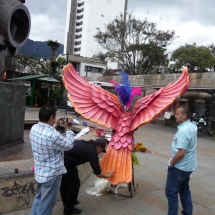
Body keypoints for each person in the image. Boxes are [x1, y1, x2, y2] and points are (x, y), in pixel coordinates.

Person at [30, 104, 75, 215]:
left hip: (40, 173)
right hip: (52, 176)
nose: (55, 118)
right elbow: (68, 145)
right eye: (54, 116)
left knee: (39, 199)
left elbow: (47, 135)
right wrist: (68, 129)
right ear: (51, 117)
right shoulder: (53, 135)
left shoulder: (34, 128)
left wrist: (55, 125)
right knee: (46, 206)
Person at [60, 137, 115, 215]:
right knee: (74, 184)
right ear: (99, 147)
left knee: (66, 183)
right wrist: (108, 175)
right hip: (66, 162)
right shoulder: (92, 152)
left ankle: (69, 201)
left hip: (62, 157)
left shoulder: (89, 144)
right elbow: (97, 173)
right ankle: (68, 209)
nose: (100, 152)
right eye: (102, 150)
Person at [165, 96, 197, 215]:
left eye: (177, 114)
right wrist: (177, 102)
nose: (175, 115)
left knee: (171, 193)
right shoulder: (192, 126)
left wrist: (171, 163)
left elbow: (181, 152)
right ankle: (188, 213)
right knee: (184, 191)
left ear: (184, 116)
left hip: (179, 167)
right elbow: (178, 113)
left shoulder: (183, 131)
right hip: (189, 166)